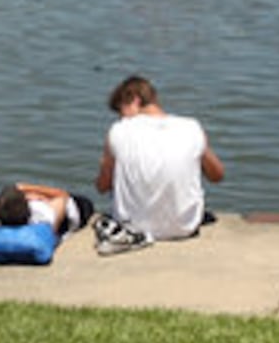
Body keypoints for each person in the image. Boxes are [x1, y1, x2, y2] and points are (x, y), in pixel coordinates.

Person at [95, 75, 225, 250]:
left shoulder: (119, 130)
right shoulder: (191, 127)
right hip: (184, 228)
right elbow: (217, 175)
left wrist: (106, 162)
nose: (121, 118)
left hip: (133, 228)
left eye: (121, 111)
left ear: (134, 100)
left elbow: (102, 186)